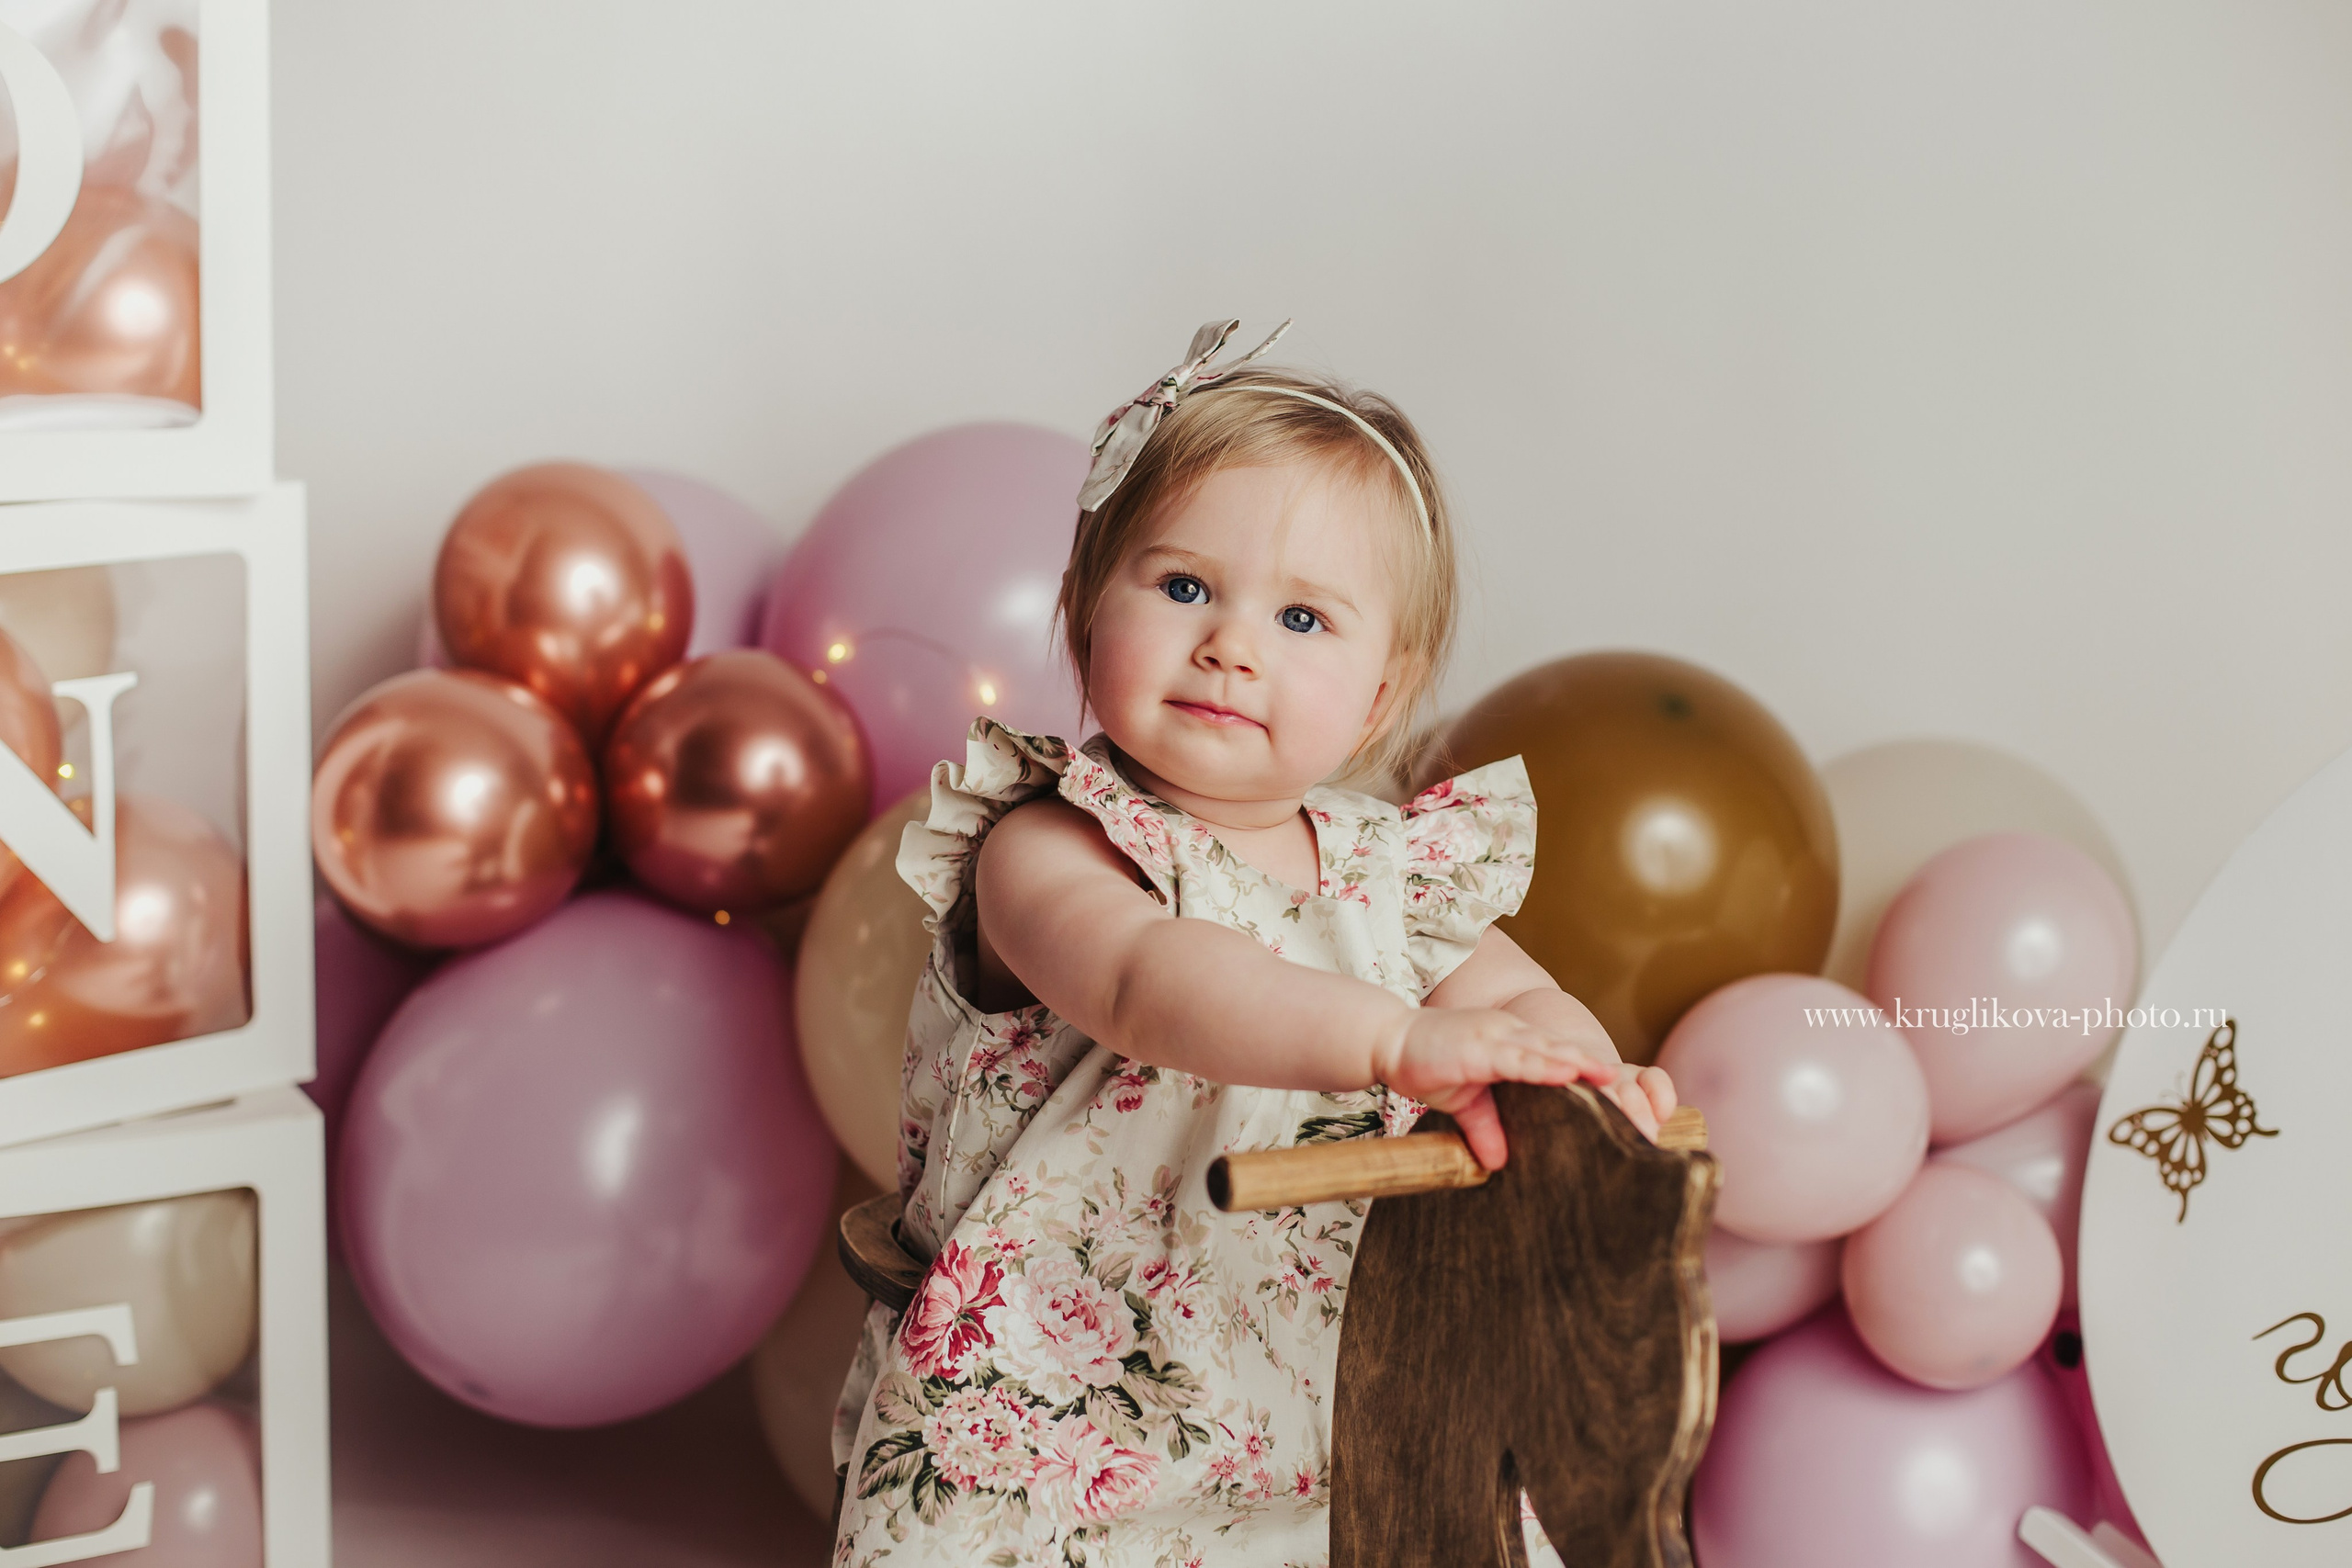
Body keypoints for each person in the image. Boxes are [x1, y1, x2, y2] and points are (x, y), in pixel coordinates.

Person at [831, 321, 1677, 1565]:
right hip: (1063, 1399)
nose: (1231, 643)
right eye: (1183, 589)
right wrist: (1391, 1039)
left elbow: (1524, 999)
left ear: (1382, 695)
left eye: (1302, 619)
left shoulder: (1397, 869)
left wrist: (1587, 1087)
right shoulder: (1059, 846)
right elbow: (1150, 983)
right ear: (1080, 612)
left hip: (1335, 1371)